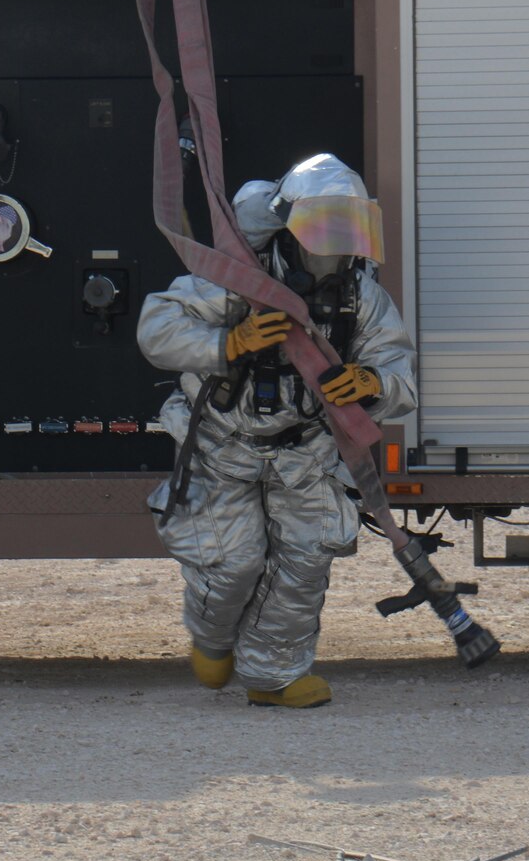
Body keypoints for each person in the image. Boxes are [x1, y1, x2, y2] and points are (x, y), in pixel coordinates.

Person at [137, 155, 418, 709]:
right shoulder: (238, 277)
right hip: (225, 444)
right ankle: (214, 642)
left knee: (306, 561)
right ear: (290, 223)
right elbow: (158, 328)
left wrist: (370, 383)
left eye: (348, 225)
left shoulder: (360, 297)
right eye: (326, 224)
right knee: (230, 562)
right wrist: (230, 344)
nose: (337, 241)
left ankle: (273, 676)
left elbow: (401, 378)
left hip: (306, 452)